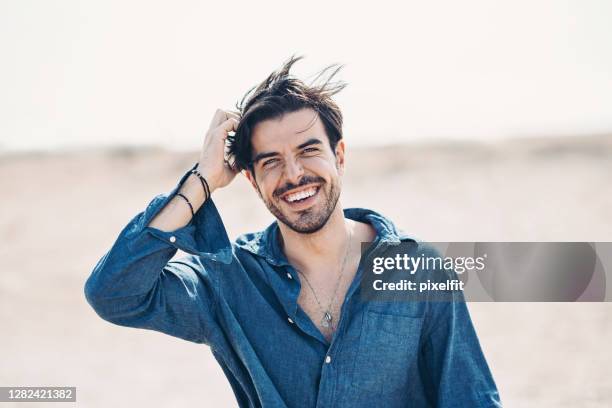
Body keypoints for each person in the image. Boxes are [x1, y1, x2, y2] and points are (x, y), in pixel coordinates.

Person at [84, 55, 502, 407]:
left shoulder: (417, 269)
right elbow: (115, 294)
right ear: (250, 179)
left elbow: (470, 397)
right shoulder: (228, 280)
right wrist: (201, 182)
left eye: (309, 151)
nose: (295, 174)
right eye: (271, 161)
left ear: (339, 154)